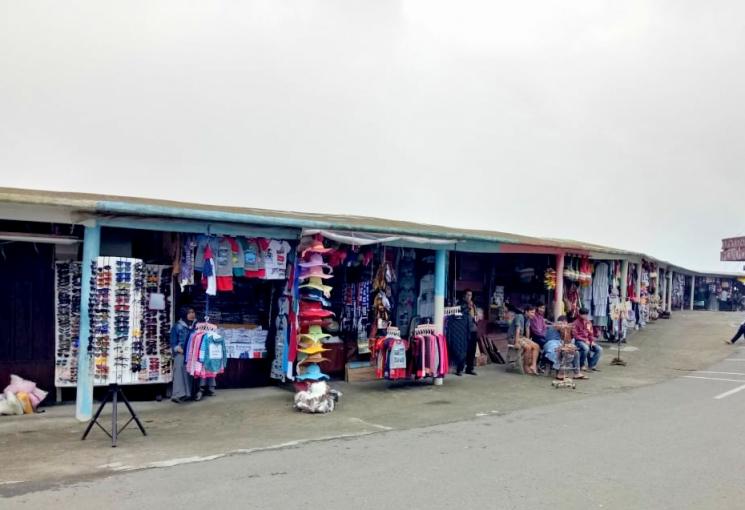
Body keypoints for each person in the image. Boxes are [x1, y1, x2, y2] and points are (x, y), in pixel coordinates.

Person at [170, 307, 196, 403]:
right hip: (180, 353)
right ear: (184, 314)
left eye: (193, 312)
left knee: (190, 373)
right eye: (189, 312)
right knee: (180, 372)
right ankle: (177, 395)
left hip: (192, 354)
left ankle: (187, 394)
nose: (192, 314)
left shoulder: (196, 326)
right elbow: (173, 343)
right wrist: (180, 350)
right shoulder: (177, 326)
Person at [507, 304, 540, 375]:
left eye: (534, 312)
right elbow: (517, 330)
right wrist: (516, 342)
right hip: (513, 337)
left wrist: (528, 341)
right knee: (528, 347)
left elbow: (527, 330)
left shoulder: (528, 319)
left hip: (522, 337)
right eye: (532, 312)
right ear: (526, 312)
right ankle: (526, 366)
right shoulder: (519, 316)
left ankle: (533, 366)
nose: (533, 314)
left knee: (536, 346)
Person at [460, 289, 479, 376]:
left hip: (473, 329)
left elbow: (475, 316)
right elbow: (461, 314)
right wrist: (468, 307)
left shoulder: (473, 305)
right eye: (467, 295)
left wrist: (477, 317)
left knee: (472, 350)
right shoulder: (461, 304)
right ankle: (459, 369)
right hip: (464, 330)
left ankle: (469, 368)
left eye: (470, 295)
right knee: (463, 349)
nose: (469, 297)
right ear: (464, 296)